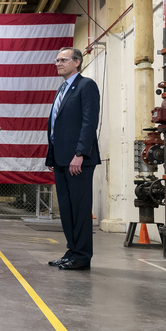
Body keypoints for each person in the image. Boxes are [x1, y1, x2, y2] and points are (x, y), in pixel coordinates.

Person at [45, 47, 101, 271]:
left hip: (78, 160)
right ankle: (72, 250)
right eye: (57, 60)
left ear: (76, 62)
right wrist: (52, 155)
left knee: (80, 208)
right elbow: (56, 126)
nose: (58, 63)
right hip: (60, 159)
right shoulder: (62, 89)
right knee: (66, 209)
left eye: (64, 60)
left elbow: (89, 122)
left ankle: (83, 256)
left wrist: (80, 153)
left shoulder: (86, 86)